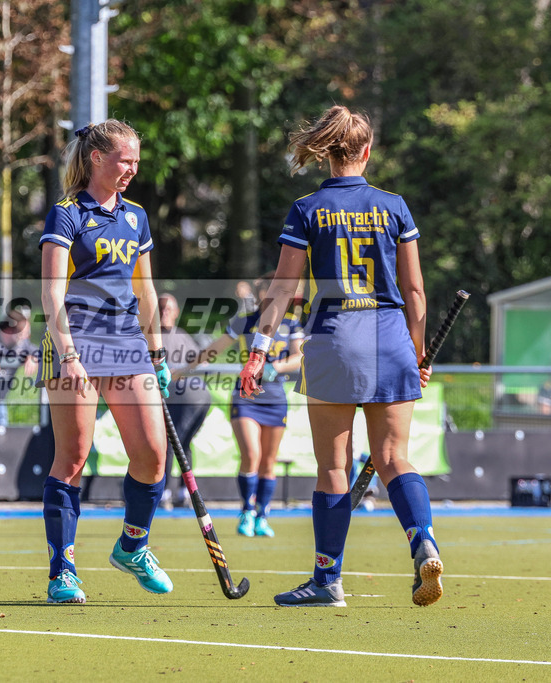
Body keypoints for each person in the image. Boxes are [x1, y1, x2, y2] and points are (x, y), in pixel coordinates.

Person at [239, 105, 442, 607]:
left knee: (334, 467)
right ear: (367, 151)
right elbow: (415, 291)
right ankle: (423, 539)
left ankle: (327, 580)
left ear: (327, 152)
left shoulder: (306, 208)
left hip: (333, 338)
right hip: (391, 336)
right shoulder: (395, 206)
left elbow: (284, 288)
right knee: (394, 457)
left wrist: (259, 350)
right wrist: (418, 350)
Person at [36, 119, 173, 604]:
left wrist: (156, 352)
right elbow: (52, 291)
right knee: (72, 459)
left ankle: (133, 546)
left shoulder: (136, 216)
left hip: (127, 343)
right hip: (74, 342)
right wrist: (68, 352)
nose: (133, 169)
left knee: (153, 457)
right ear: (97, 158)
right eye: (125, 160)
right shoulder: (67, 214)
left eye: (136, 161)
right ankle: (63, 571)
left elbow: (146, 289)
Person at [194, 274, 304, 537]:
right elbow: (215, 348)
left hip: (275, 397)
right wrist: (186, 367)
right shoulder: (245, 321)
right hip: (246, 397)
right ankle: (246, 510)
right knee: (251, 456)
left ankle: (263, 515)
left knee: (268, 462)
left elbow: (299, 357)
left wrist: (274, 367)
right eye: (268, 291)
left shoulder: (291, 323)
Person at [157, 293, 212, 509]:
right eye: (161, 308)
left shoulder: (182, 336)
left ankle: (168, 493)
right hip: (166, 398)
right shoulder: (151, 336)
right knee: (179, 443)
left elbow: (203, 362)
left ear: (177, 312)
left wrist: (182, 371)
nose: (164, 313)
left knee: (175, 442)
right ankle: (180, 492)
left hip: (188, 398)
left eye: (168, 309)